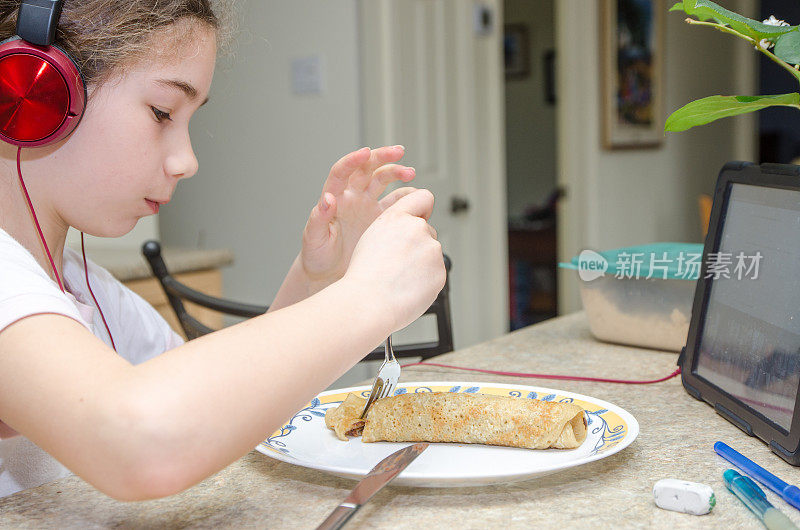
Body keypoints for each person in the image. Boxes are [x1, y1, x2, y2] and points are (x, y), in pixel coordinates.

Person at [0, 0, 445, 501]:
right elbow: (142, 444)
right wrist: (369, 297)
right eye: (162, 112)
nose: (188, 161)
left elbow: (205, 416)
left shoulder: (86, 288)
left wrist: (319, 281)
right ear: (36, 91)